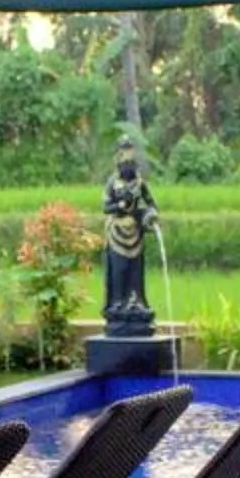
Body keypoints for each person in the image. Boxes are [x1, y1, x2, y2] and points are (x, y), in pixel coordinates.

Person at [101, 142, 159, 338]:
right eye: (125, 164)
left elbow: (152, 203)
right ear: (119, 165)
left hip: (135, 231)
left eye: (132, 164)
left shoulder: (140, 184)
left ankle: (136, 302)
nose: (129, 168)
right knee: (119, 270)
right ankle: (117, 302)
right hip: (117, 232)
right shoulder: (112, 183)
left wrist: (149, 215)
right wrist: (120, 204)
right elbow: (106, 207)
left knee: (135, 270)